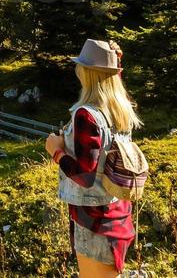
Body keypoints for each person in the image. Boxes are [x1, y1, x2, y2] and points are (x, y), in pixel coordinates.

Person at [44, 38, 142, 277]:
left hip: (93, 217)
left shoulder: (86, 115)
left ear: (86, 73)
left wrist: (56, 151)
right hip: (118, 209)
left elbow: (85, 175)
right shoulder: (120, 110)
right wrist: (116, 62)